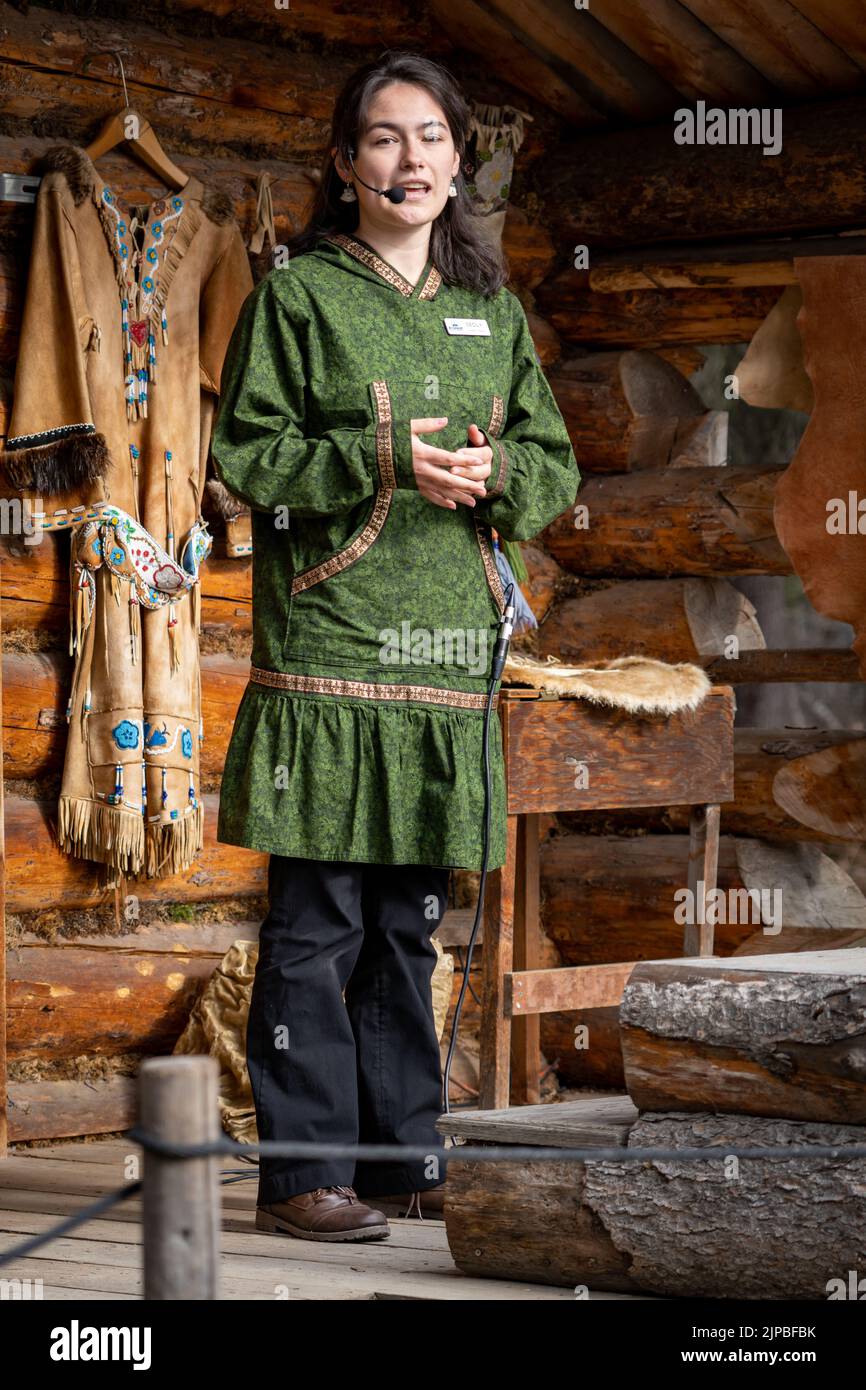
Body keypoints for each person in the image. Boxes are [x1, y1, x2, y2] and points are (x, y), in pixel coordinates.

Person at [210, 51, 579, 1243]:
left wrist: (496, 474)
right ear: (342, 162)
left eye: (428, 138)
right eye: (381, 138)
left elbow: (554, 465)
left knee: (406, 926)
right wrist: (378, 458)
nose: (408, 159)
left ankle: (399, 1158)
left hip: (441, 660)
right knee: (316, 924)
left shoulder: (494, 314)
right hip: (330, 641)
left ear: (457, 160)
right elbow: (248, 460)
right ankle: (302, 1172)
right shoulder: (300, 297)